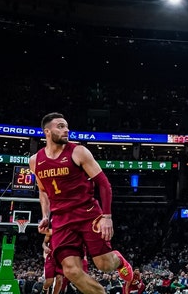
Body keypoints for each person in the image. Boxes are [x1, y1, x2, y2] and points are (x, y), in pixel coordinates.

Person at [32, 112, 134, 294]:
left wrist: (107, 216)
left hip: (88, 213)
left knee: (105, 265)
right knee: (71, 271)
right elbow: (43, 190)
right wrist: (45, 216)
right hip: (62, 220)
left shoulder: (78, 151)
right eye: (60, 126)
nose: (66, 130)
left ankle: (118, 259)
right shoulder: (35, 161)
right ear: (47, 132)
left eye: (66, 126)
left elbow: (104, 184)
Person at [42, 228, 64, 294]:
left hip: (61, 260)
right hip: (51, 259)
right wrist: (45, 247)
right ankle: (44, 290)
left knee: (59, 279)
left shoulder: (69, 233)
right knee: (49, 281)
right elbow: (44, 243)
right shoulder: (51, 231)